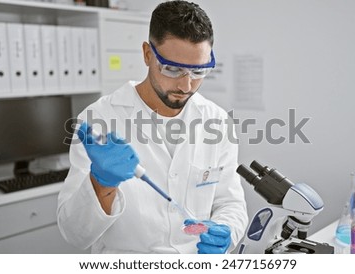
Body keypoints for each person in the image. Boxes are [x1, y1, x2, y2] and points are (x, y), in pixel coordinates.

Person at [57, 0, 248, 254]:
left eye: (199, 71)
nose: (186, 85)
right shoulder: (99, 120)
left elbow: (230, 202)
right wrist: (101, 183)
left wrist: (226, 231)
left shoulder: (217, 120)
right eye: (172, 69)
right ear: (148, 54)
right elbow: (74, 234)